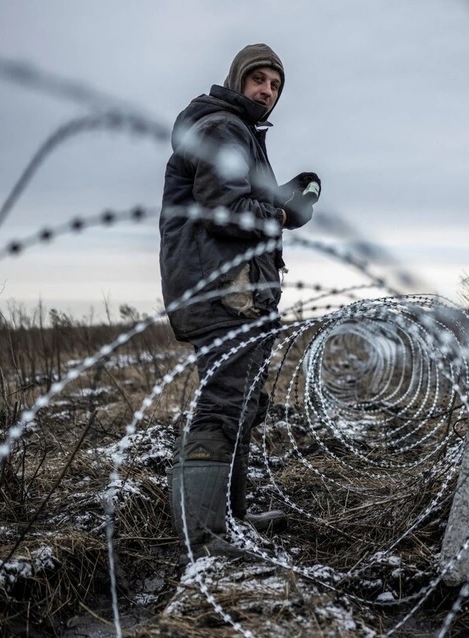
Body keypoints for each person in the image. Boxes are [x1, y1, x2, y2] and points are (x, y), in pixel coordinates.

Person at [159, 43, 321, 558]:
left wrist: (284, 198)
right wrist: (276, 213)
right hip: (221, 288)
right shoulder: (224, 127)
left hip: (237, 289)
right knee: (225, 402)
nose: (266, 91)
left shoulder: (239, 133)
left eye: (275, 85)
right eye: (258, 80)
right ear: (238, 79)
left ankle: (231, 516)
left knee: (243, 401)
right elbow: (224, 209)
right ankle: (204, 537)